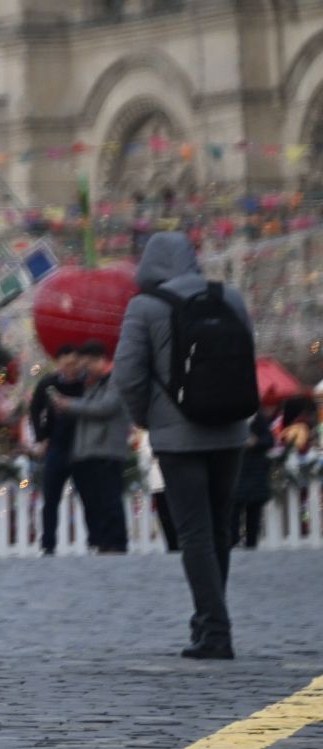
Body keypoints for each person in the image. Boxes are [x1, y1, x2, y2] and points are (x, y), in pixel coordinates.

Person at [113, 232, 255, 659]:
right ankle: (208, 619)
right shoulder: (230, 297)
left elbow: (127, 374)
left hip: (178, 437)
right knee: (219, 529)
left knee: (193, 532)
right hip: (230, 429)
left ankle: (215, 630)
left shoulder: (145, 306)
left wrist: (147, 417)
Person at [49, 340, 130, 552]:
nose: (84, 369)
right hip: (88, 452)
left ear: (100, 360)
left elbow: (104, 407)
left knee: (110, 499)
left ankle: (116, 542)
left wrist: (70, 405)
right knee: (95, 501)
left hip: (107, 449)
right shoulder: (92, 384)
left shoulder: (115, 381)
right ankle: (102, 541)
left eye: (87, 364)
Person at [28, 344, 86, 555]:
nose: (70, 368)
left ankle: (95, 541)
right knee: (50, 499)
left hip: (81, 446)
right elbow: (34, 409)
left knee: (88, 497)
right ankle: (48, 544)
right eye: (66, 364)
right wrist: (41, 438)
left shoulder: (85, 383)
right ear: (58, 363)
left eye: (74, 364)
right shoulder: (48, 383)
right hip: (56, 445)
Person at [234, 405, 276, 550]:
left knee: (254, 513)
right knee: (233, 512)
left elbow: (269, 440)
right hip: (237, 471)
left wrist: (255, 442)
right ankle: (233, 542)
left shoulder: (259, 419)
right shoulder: (231, 417)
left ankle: (252, 544)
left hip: (255, 472)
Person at [135, 429, 177, 551]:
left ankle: (174, 547)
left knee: (169, 520)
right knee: (167, 521)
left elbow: (143, 461)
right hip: (158, 483)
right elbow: (143, 460)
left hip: (161, 483)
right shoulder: (149, 434)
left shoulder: (149, 433)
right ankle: (173, 547)